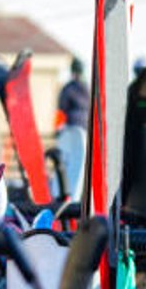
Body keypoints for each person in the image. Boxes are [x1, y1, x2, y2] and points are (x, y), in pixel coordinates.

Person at [55, 58, 90, 199]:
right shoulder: (88, 88)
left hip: (71, 130)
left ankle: (68, 193)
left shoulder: (68, 88)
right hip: (85, 130)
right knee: (80, 165)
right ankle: (77, 194)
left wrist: (58, 130)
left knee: (70, 164)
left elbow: (61, 110)